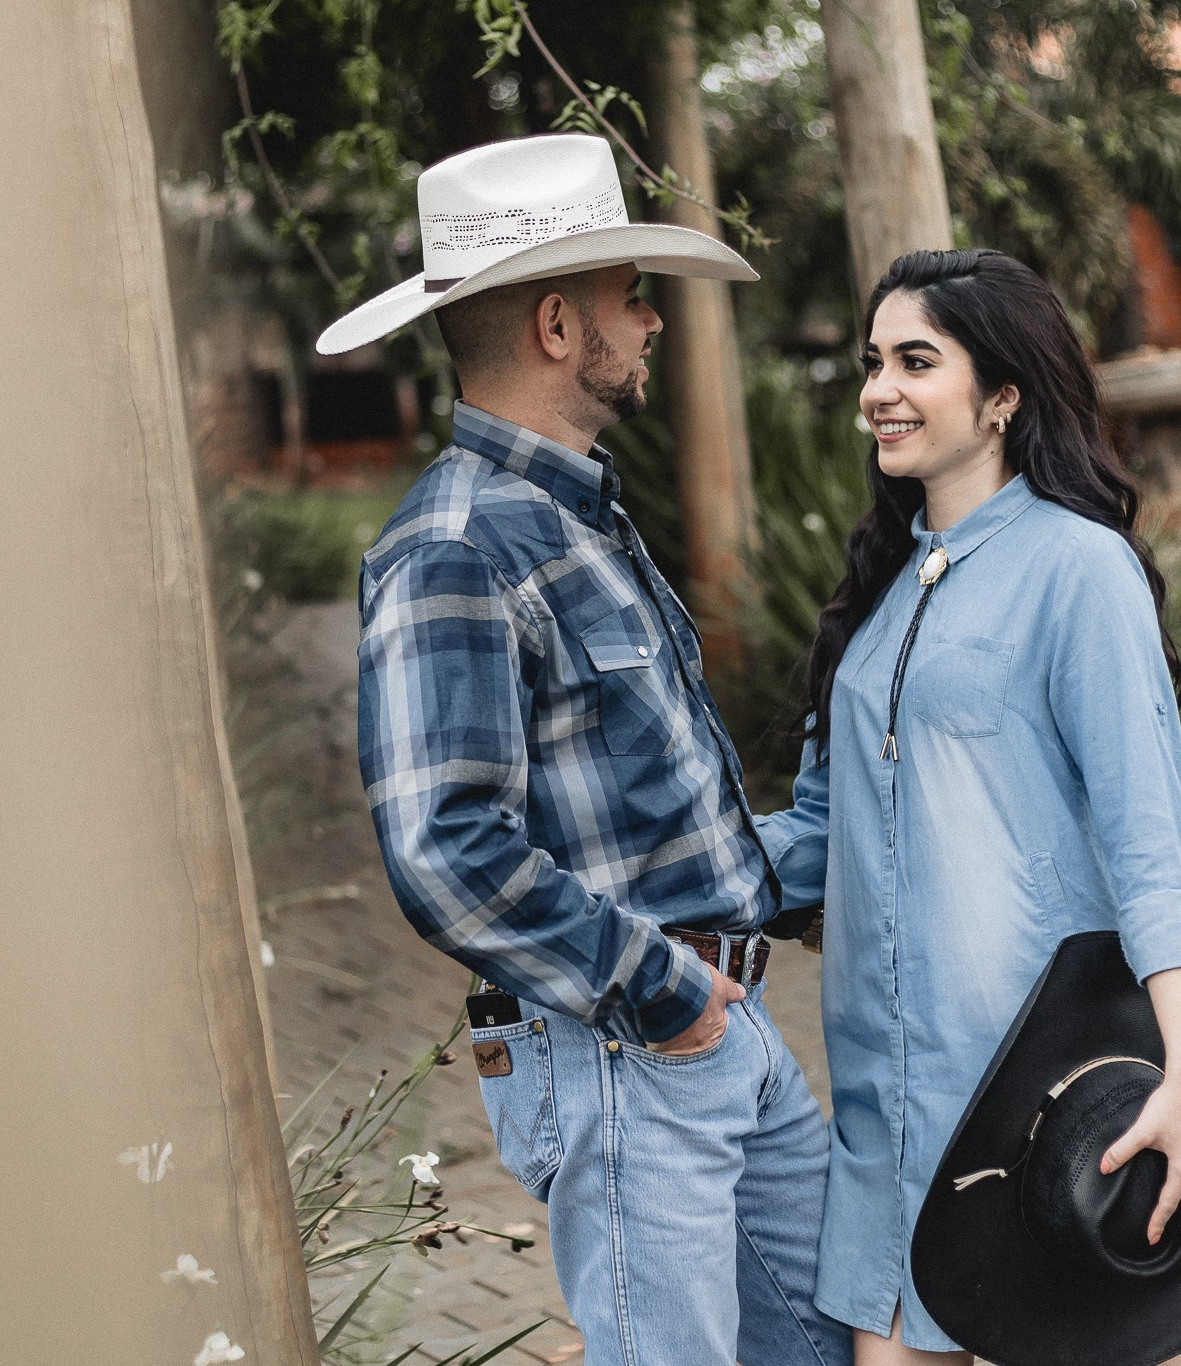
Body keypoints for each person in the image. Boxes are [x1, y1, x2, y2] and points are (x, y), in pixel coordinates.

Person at [336, 133, 851, 1366]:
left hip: (712, 1031)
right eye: (631, 293)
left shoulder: (573, 518)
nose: (652, 319)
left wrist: (840, 831)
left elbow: (639, 819)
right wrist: (667, 994)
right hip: (627, 1046)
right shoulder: (455, 547)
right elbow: (442, 844)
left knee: (849, 1344)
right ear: (560, 326)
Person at [754, 248, 1181, 1365]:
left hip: (1060, 1108)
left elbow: (1147, 844)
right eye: (873, 361)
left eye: (915, 361)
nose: (878, 387)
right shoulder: (880, 595)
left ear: (1003, 396)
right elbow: (822, 837)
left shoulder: (1077, 570)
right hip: (892, 1123)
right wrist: (660, 864)